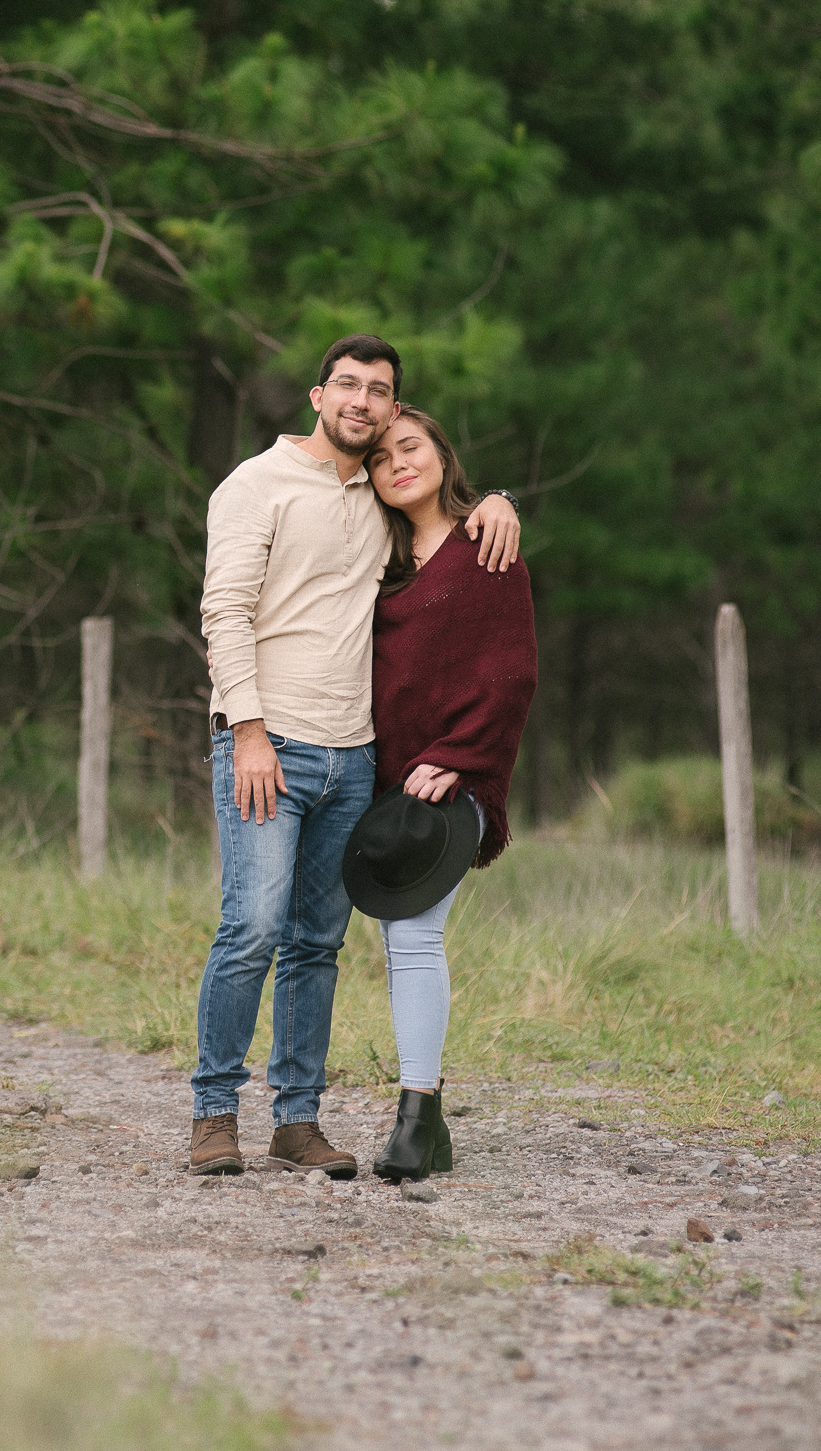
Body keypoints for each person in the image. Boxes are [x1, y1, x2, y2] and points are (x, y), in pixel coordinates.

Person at [190, 336, 520, 1176]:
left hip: (354, 762)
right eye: (349, 385)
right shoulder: (254, 485)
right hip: (268, 746)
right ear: (316, 395)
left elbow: (445, 526)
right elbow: (222, 612)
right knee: (252, 926)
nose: (363, 401)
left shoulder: (376, 502)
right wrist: (248, 730)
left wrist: (498, 500)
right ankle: (213, 1113)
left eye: (380, 391)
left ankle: (297, 1122)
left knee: (315, 944)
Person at [356, 404, 537, 1180]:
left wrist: (461, 758)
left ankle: (417, 1118)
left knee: (413, 935)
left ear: (440, 454)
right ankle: (421, 1124)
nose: (397, 463)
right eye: (380, 458)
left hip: (453, 777)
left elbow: (513, 671)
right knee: (389, 941)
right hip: (378, 783)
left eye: (410, 447)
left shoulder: (485, 544)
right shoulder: (377, 560)